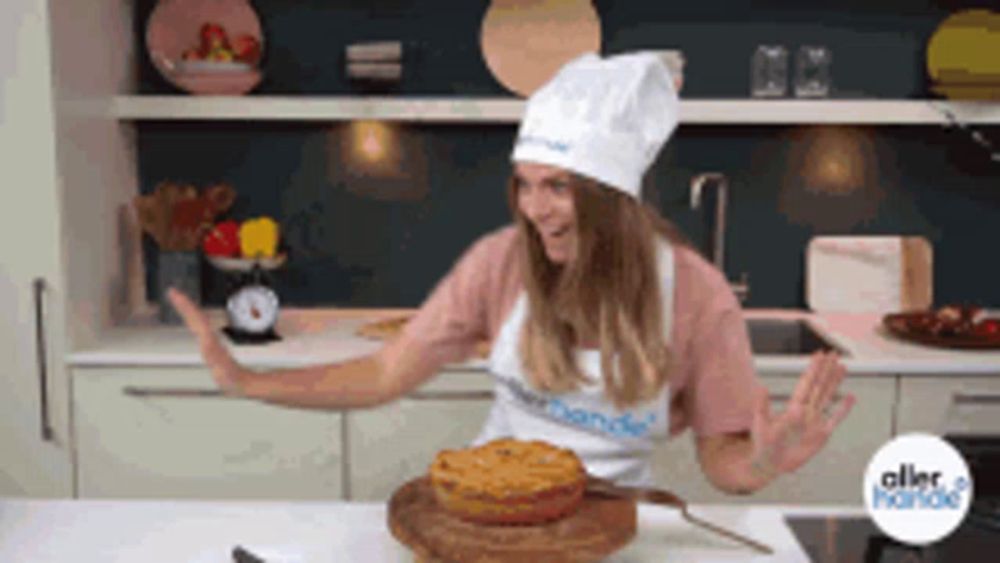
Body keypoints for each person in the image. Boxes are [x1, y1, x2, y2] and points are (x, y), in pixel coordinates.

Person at [168, 51, 855, 492]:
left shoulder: (696, 295)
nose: (536, 210)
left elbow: (723, 459)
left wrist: (766, 460)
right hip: (487, 509)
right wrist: (247, 379)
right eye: (524, 185)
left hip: (612, 527)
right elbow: (384, 372)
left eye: (558, 187)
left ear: (612, 196)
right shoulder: (500, 264)